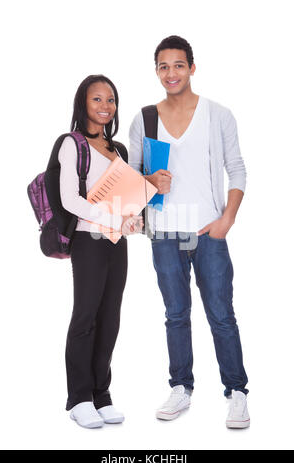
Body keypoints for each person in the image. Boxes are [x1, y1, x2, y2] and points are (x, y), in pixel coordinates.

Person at [129, 36, 249, 428]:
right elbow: (130, 179)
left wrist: (226, 220)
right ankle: (181, 387)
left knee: (221, 315)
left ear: (192, 68)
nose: (171, 73)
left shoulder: (218, 115)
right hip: (164, 233)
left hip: (208, 231)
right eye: (163, 66)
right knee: (175, 315)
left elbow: (238, 169)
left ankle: (237, 392)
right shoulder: (144, 118)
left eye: (178, 65)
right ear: (156, 71)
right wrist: (149, 179)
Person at [59, 75, 143, 429]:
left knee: (110, 317)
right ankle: (79, 397)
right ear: (84, 104)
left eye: (111, 100)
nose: (105, 106)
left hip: (116, 242)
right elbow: (70, 199)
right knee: (86, 317)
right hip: (88, 241)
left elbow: (127, 198)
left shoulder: (119, 150)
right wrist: (111, 216)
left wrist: (134, 218)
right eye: (97, 100)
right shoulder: (71, 144)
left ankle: (100, 394)